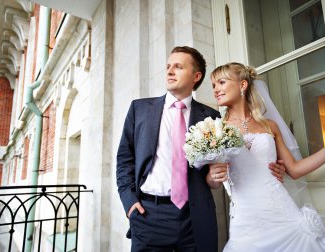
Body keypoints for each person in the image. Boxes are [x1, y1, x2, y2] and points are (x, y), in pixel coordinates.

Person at [116, 47, 286, 252]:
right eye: (168, 67)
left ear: (196, 76)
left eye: (178, 67)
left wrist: (271, 166)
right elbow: (125, 160)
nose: (169, 71)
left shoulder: (213, 117)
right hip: (149, 215)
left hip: (196, 217)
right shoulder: (140, 109)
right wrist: (130, 204)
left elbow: (223, 167)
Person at [207, 62, 325, 252]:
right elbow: (214, 182)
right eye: (213, 85)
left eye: (221, 82)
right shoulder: (214, 130)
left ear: (242, 85)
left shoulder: (269, 126)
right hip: (246, 220)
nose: (216, 89)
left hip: (281, 212)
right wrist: (212, 177)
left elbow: (295, 170)